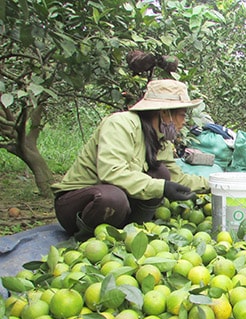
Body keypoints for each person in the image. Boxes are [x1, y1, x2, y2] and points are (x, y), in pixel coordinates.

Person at [52, 79, 209, 240]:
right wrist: (162, 187)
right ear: (164, 112)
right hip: (80, 203)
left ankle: (131, 236)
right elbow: (112, 172)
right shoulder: (120, 124)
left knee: (161, 173)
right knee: (113, 199)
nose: (184, 122)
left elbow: (177, 179)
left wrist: (212, 185)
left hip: (117, 206)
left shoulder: (160, 140)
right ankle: (88, 241)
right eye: (182, 115)